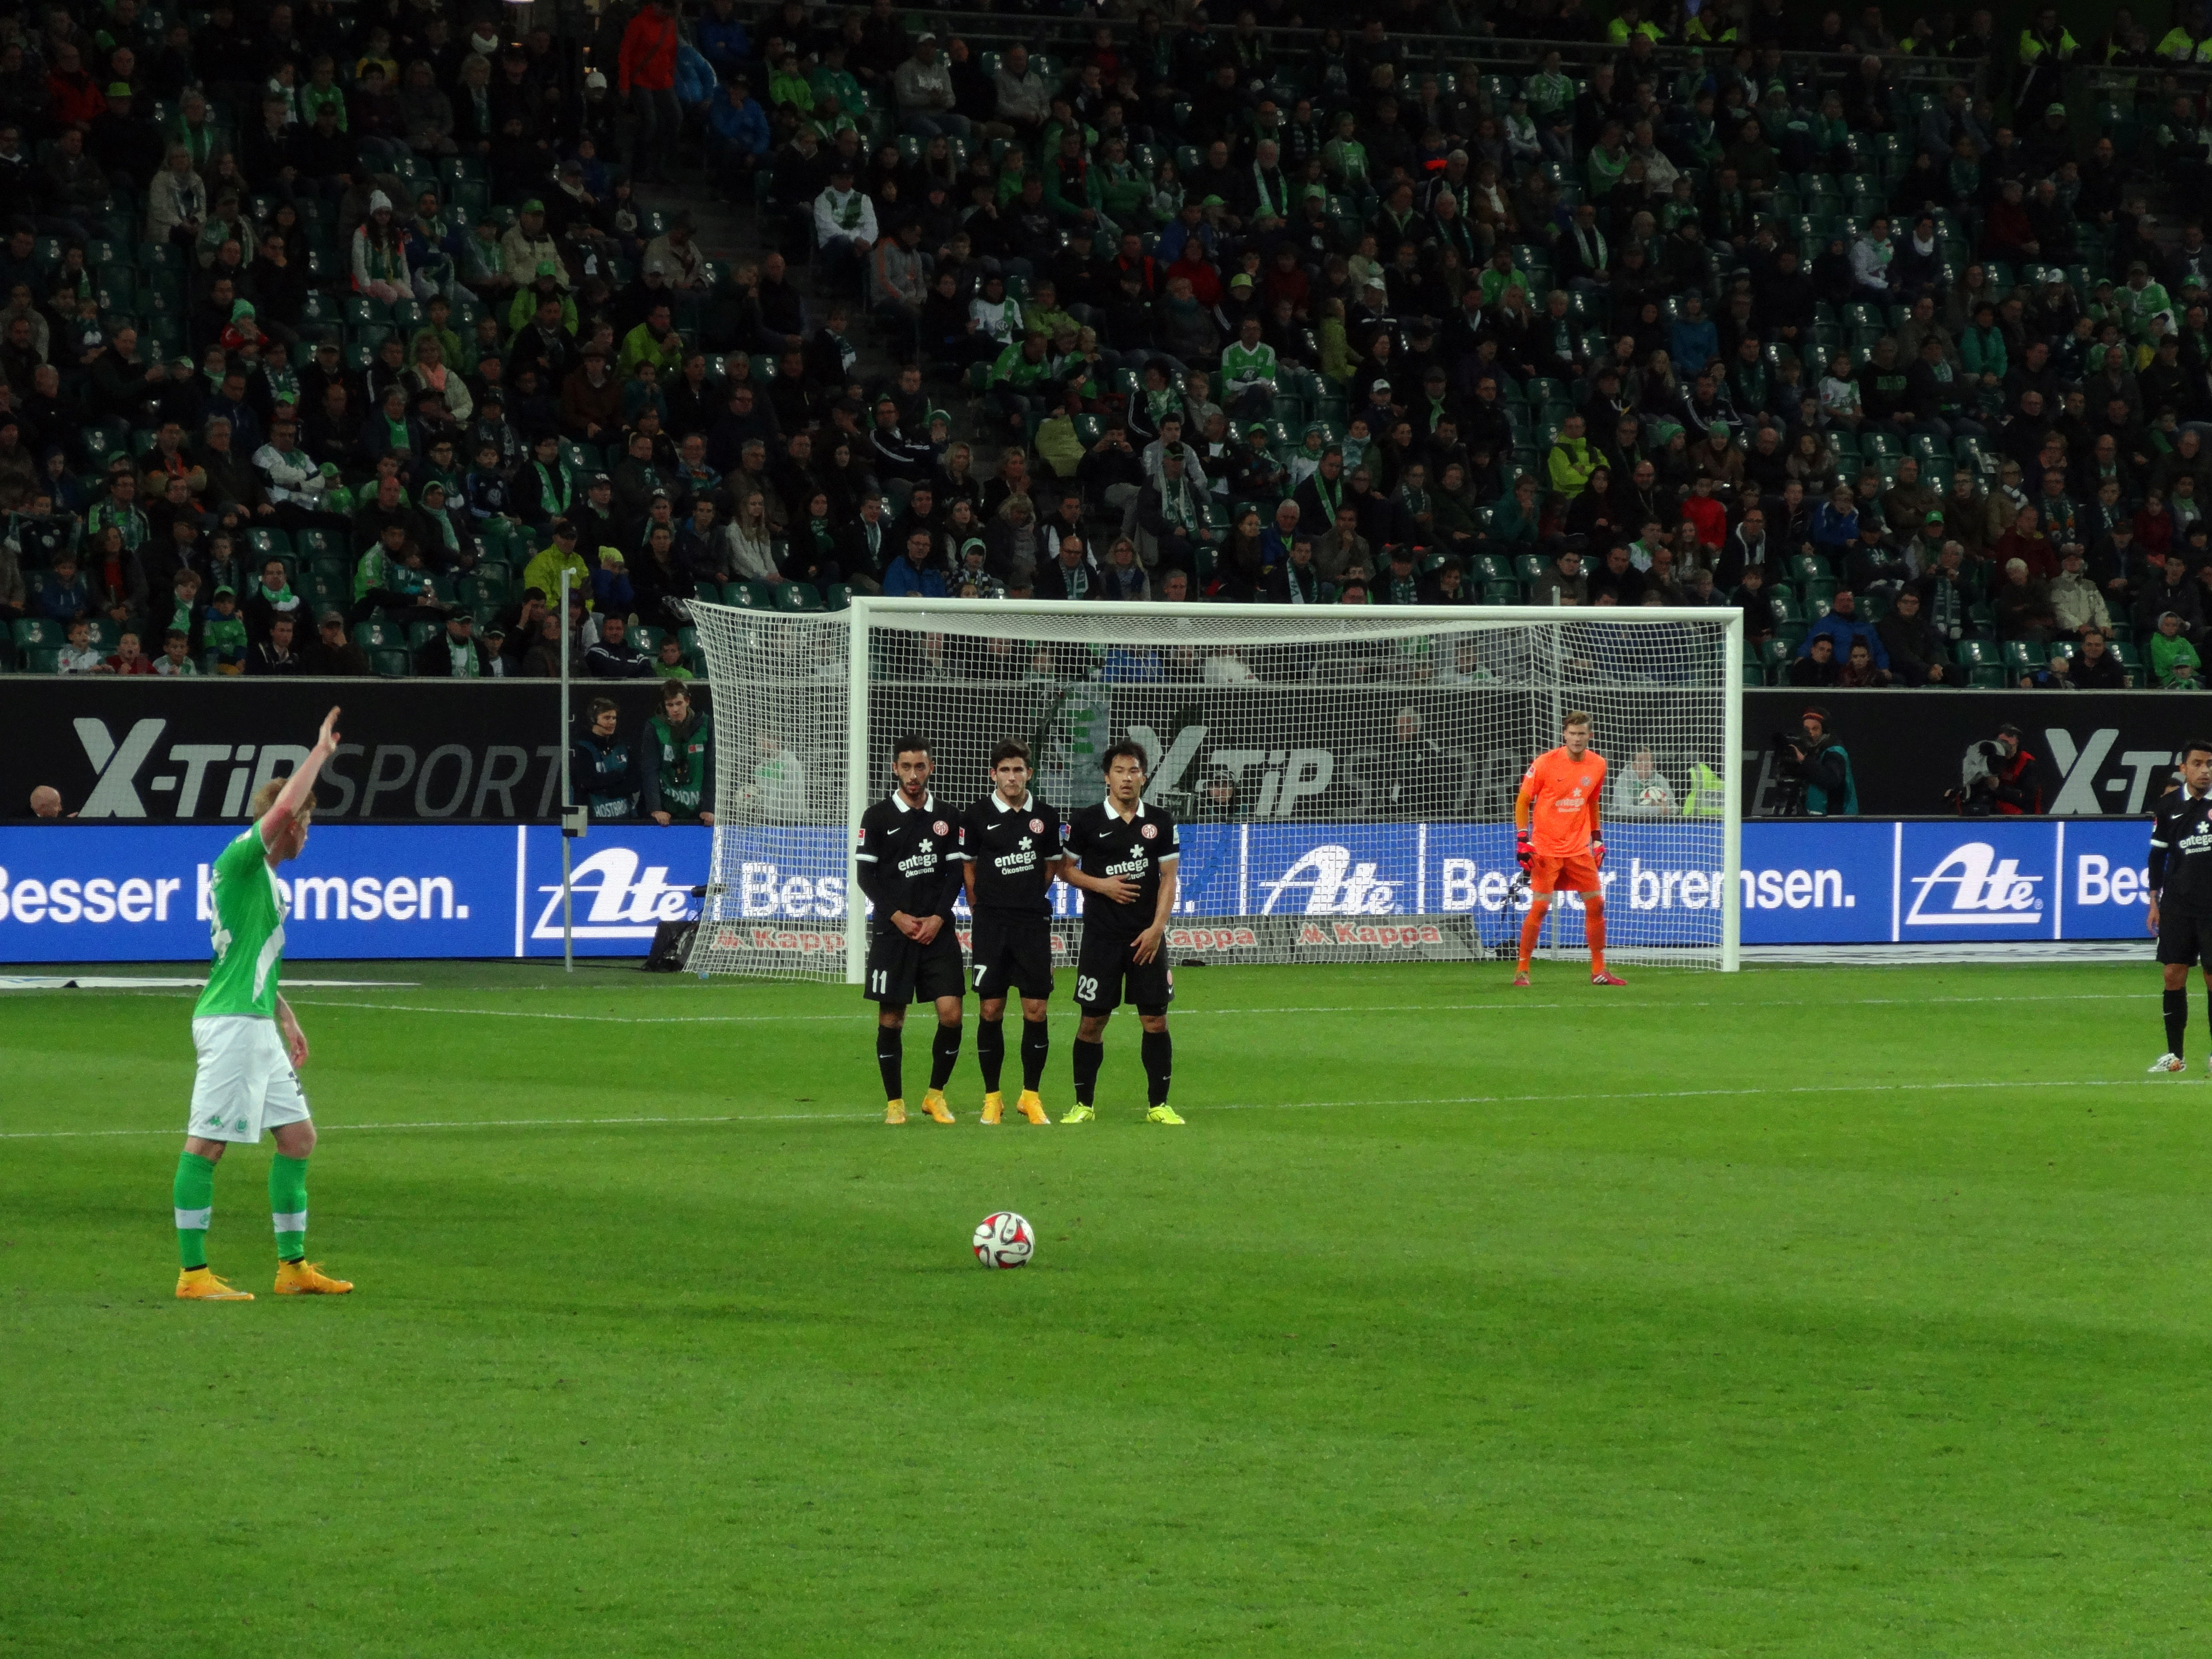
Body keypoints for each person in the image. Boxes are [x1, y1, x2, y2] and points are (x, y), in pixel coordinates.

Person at [172, 705, 353, 1301]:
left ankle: (292, 1267)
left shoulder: (269, 884)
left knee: (299, 1139)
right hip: (231, 1026)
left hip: (257, 1021)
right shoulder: (242, 860)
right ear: (294, 825)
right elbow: (277, 811)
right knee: (208, 1144)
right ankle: (193, 1275)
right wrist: (319, 756)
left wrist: (286, 1013)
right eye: (308, 822)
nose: (308, 834)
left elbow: (251, 958)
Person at [1058, 741, 1183, 1125]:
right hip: (1102, 938)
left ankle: (1159, 1105)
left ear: (1144, 777)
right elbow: (1065, 870)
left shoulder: (1160, 822)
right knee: (1093, 1021)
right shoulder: (1086, 821)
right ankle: (1083, 1104)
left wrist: (1157, 931)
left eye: (1134, 771)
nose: (1126, 778)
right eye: (1119, 771)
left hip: (1146, 938)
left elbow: (1169, 878)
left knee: (1155, 1021)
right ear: (1106, 777)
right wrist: (1103, 886)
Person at [856, 735, 966, 1125]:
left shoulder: (949, 817)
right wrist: (898, 916)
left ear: (930, 768)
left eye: (920, 767)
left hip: (937, 933)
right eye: (906, 767)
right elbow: (865, 876)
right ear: (895, 769)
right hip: (894, 933)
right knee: (892, 1019)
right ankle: (895, 1103)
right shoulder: (878, 817)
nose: (913, 775)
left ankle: (935, 1096)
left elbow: (955, 873)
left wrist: (938, 917)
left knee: (952, 1014)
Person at [958, 739, 1065, 1126]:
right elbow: (968, 868)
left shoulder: (1047, 817)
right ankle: (993, 1098)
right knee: (991, 1009)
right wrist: (979, 908)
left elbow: (1053, 867)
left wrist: (1030, 897)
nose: (1012, 777)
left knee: (1036, 1010)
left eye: (1018, 769)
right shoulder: (976, 816)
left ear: (1029, 774)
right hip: (991, 926)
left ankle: (1031, 1097)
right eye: (1005, 770)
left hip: (1032, 925)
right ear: (993, 775)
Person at [1512, 711, 1624, 989]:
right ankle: (1522, 971)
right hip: (1547, 849)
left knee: (1597, 904)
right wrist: (1523, 838)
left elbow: (1592, 801)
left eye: (1582, 734)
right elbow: (1523, 801)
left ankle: (1599, 970)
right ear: (1565, 735)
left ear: (1590, 736)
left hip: (1578, 849)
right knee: (1540, 907)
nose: (1577, 739)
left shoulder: (1598, 764)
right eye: (1572, 734)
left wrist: (1597, 837)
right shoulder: (1545, 763)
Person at [2150, 739, 2212, 1073]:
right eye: (2199, 764)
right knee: (2173, 974)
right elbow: (2157, 855)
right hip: (2177, 905)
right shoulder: (2168, 806)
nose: (2205, 770)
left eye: (2210, 764)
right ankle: (2175, 1055)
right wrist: (2153, 901)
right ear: (2183, 768)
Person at [639, 679, 714, 825]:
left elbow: (712, 768)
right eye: (670, 705)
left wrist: (710, 807)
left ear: (687, 701)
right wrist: (656, 809)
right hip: (666, 810)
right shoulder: (655, 727)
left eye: (679, 704)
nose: (675, 710)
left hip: (698, 810)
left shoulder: (706, 725)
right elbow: (650, 770)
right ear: (664, 706)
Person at [572, 697, 636, 820]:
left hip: (626, 818)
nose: (612, 722)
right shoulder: (582, 748)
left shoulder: (622, 746)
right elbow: (588, 781)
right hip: (595, 820)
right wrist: (618, 777)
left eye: (614, 718)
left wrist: (611, 785)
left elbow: (635, 780)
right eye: (607, 718)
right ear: (593, 719)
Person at [1612, 748, 1677, 817]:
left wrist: (1668, 810)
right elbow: (1626, 810)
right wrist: (1659, 810)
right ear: (1633, 765)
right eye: (1641, 761)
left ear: (1652, 764)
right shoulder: (1623, 780)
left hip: (1657, 823)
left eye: (1648, 760)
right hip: (1625, 824)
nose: (1646, 764)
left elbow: (1674, 806)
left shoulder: (1660, 780)